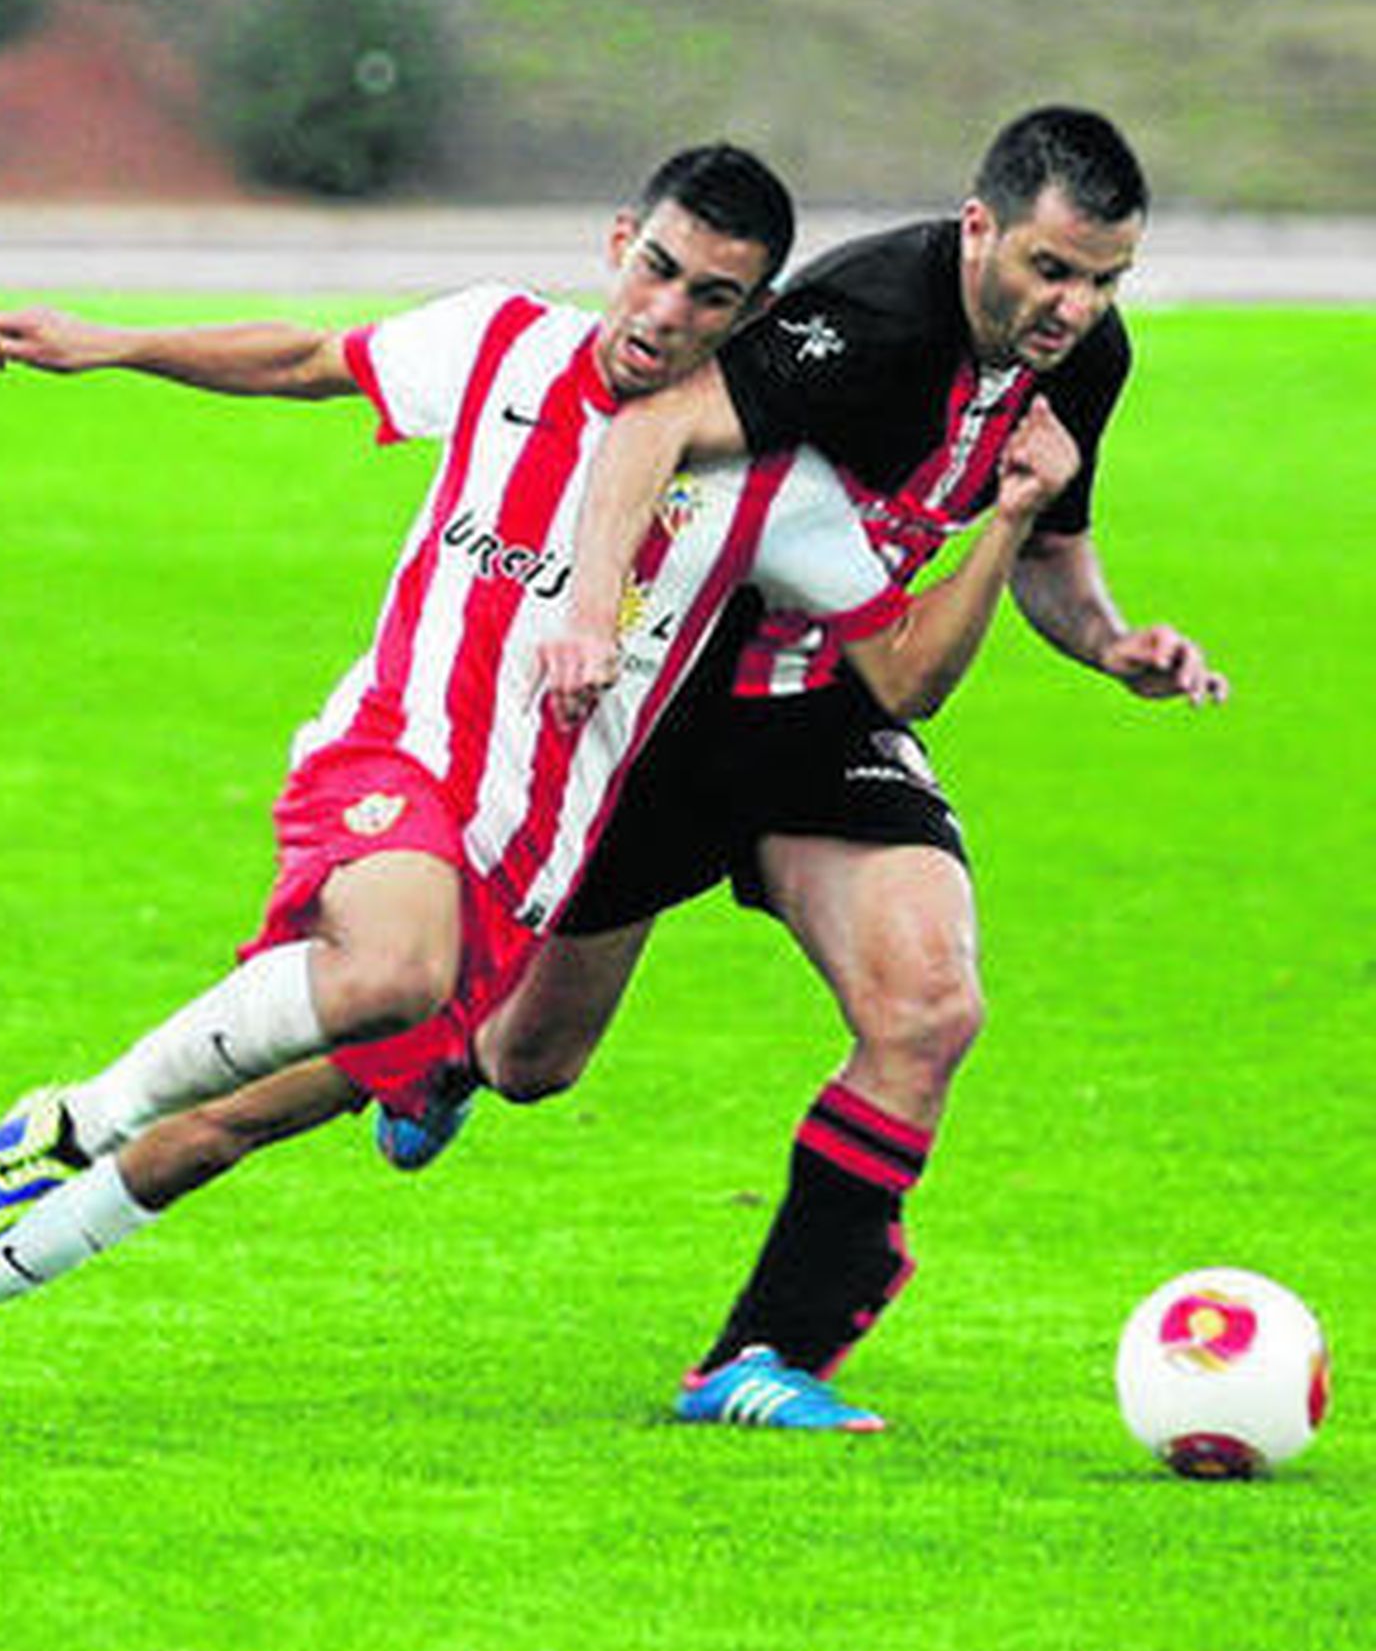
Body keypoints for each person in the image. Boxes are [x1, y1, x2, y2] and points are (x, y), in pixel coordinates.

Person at [0, 144, 1080, 1427]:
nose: (665, 313)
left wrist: (1013, 518)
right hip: (393, 765)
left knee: (215, 1136)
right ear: (619, 244)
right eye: (660, 272)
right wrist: (115, 341)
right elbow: (307, 360)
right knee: (391, 969)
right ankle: (69, 1117)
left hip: (519, 880)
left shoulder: (776, 494)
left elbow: (903, 672)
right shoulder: (500, 342)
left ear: (754, 318)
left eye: (710, 300)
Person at [383, 106, 1230, 1427]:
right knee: (538, 1060)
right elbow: (648, 427)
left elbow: (1054, 555)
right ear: (978, 231)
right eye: (1051, 270)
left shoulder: (1085, 361)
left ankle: (759, 1357)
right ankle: (455, 1061)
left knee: (930, 1008)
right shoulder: (871, 315)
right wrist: (591, 613)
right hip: (675, 714)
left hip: (832, 711)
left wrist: (1116, 643)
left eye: (1104, 279)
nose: (1074, 306)